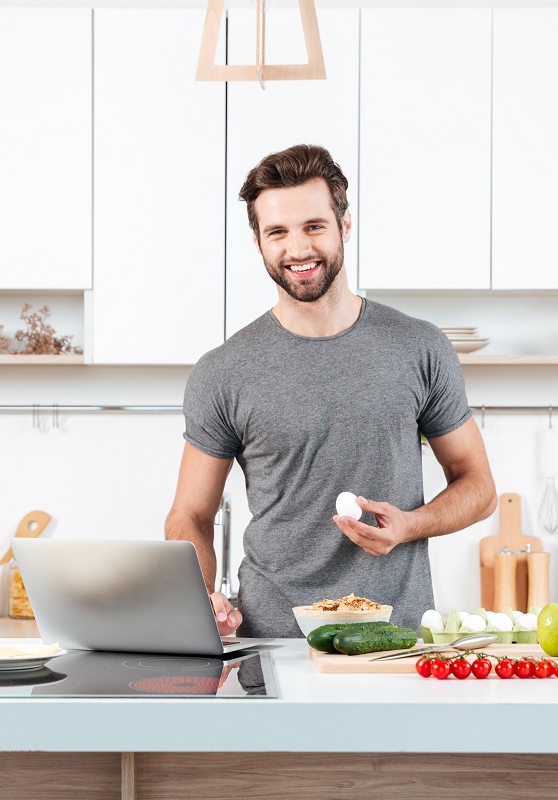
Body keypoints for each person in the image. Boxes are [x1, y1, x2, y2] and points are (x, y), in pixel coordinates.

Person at [164, 144, 496, 638]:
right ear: (258, 243)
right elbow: (189, 514)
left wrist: (410, 525)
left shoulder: (419, 347)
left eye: (313, 226)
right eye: (277, 232)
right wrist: (198, 596)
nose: (297, 249)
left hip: (397, 642)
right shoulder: (223, 372)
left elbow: (480, 487)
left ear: (344, 226)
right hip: (273, 643)